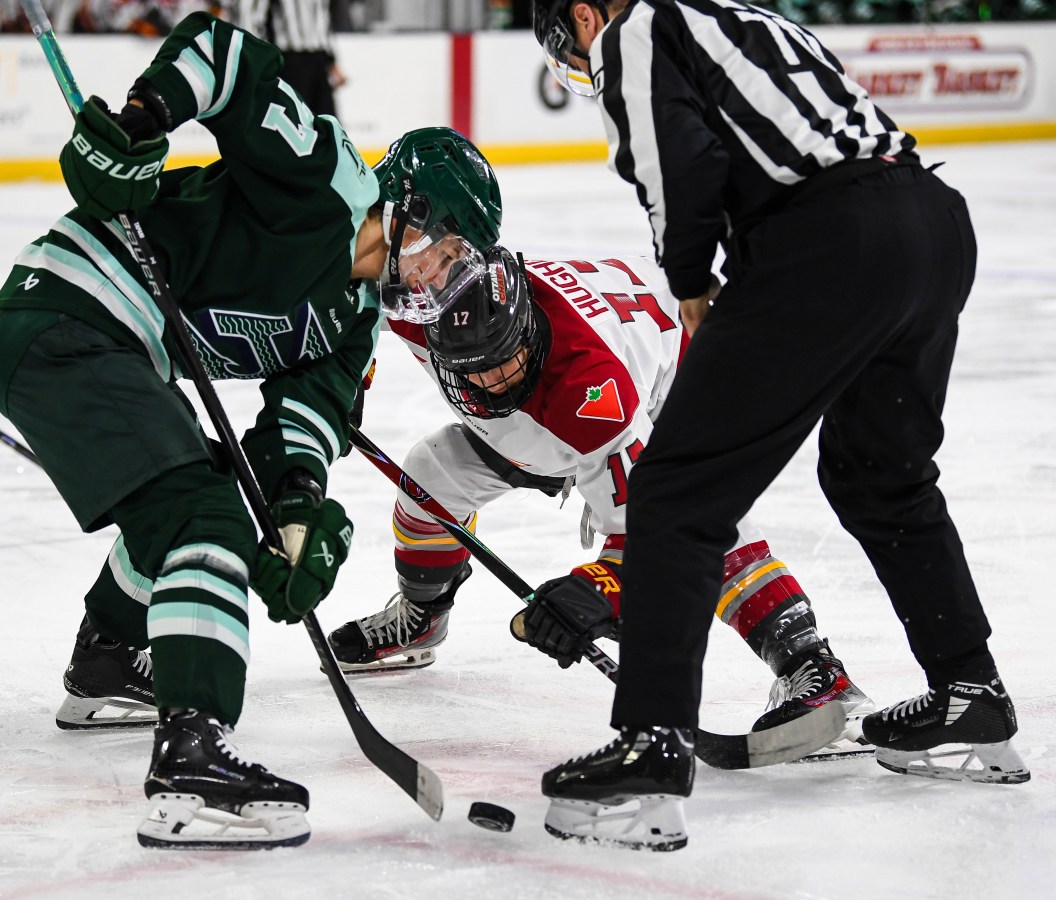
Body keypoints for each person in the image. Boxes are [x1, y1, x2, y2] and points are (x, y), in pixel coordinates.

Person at [0, 12, 502, 849]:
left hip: (104, 342)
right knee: (204, 518)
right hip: (65, 313)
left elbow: (306, 421)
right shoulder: (327, 180)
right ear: (413, 207)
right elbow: (222, 54)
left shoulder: (356, 323)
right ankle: (192, 757)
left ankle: (110, 655)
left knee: (218, 490)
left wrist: (296, 513)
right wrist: (144, 123)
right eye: (446, 254)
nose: (442, 283)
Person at [528, 0, 1029, 849]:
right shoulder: (741, 13)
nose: (586, 55)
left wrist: (690, 280)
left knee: (678, 491)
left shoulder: (633, 28)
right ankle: (971, 695)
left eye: (572, 38)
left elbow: (673, 160)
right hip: (932, 224)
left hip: (834, 241)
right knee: (883, 475)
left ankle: (651, 749)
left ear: (584, 12)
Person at [327, 246, 872, 747]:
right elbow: (356, 297)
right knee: (431, 477)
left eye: (500, 359)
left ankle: (815, 669)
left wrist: (596, 591)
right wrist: (341, 377)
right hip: (562, 395)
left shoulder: (593, 402)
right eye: (473, 370)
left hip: (679, 383)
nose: (490, 382)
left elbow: (651, 542)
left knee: (701, 521)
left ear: (527, 331)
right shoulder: (425, 308)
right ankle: (423, 616)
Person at [238, 0, 348, 118]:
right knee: (294, 120)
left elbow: (324, 20)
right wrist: (264, 59)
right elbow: (254, 20)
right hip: (289, 59)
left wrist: (332, 61)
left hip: (319, 58)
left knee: (326, 123)